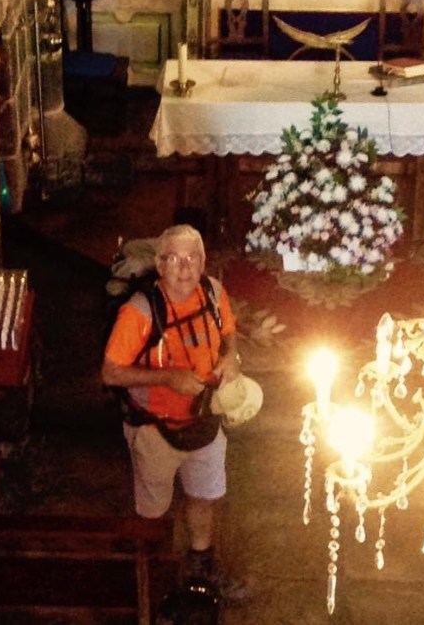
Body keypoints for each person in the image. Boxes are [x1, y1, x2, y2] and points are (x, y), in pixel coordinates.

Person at [101, 224, 242, 588]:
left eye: (192, 258)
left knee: (203, 497)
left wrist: (231, 358)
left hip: (205, 423)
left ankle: (200, 562)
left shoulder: (213, 293)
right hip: (154, 429)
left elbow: (229, 334)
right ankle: (155, 571)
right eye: (174, 259)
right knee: (153, 509)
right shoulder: (139, 312)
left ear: (203, 262)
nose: (184, 267)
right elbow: (111, 373)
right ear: (160, 265)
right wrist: (167, 378)